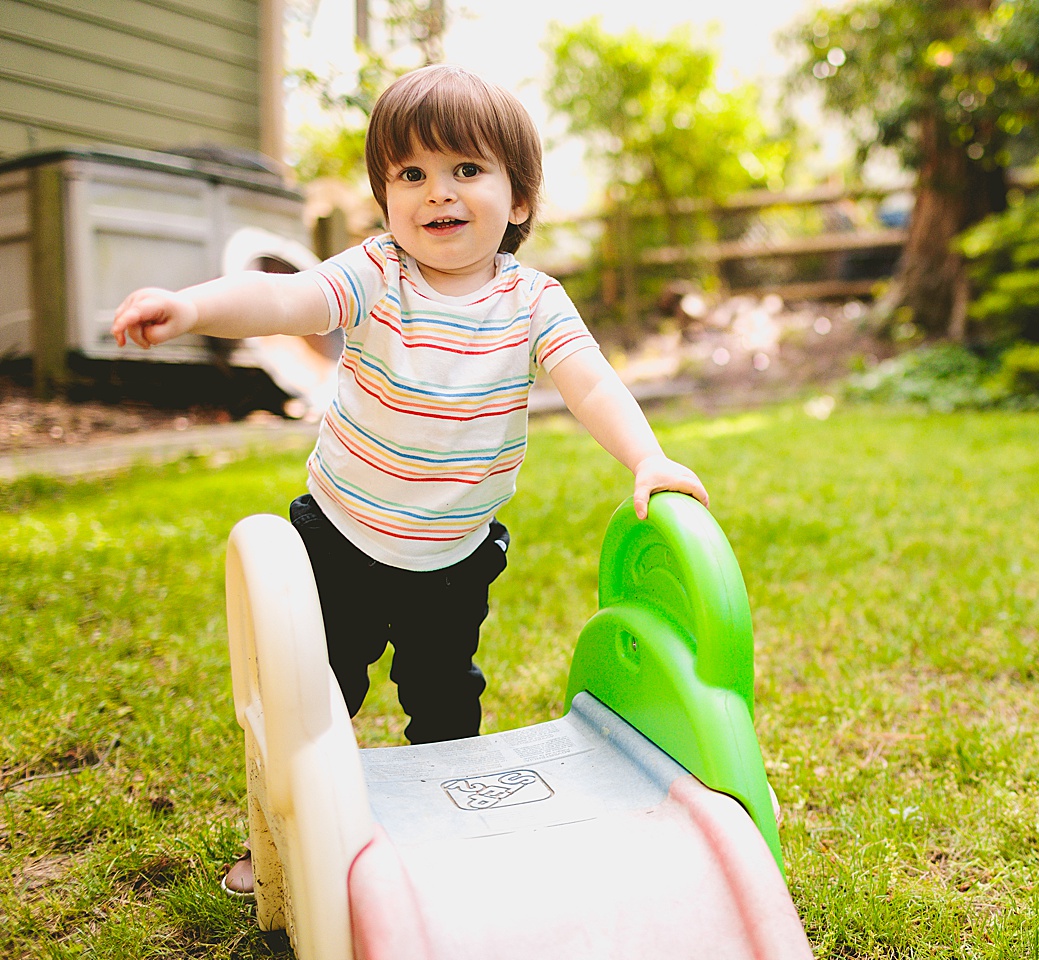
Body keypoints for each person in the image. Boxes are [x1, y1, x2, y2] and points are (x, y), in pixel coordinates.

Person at [110, 65, 709, 893]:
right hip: (342, 537)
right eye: (412, 174)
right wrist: (196, 308)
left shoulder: (534, 301)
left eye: (467, 170)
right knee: (314, 699)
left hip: (454, 555)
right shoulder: (375, 275)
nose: (440, 194)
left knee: (446, 700)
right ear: (387, 198)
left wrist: (646, 456)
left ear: (519, 199)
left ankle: (453, 836)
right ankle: (282, 841)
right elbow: (283, 300)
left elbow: (592, 382)